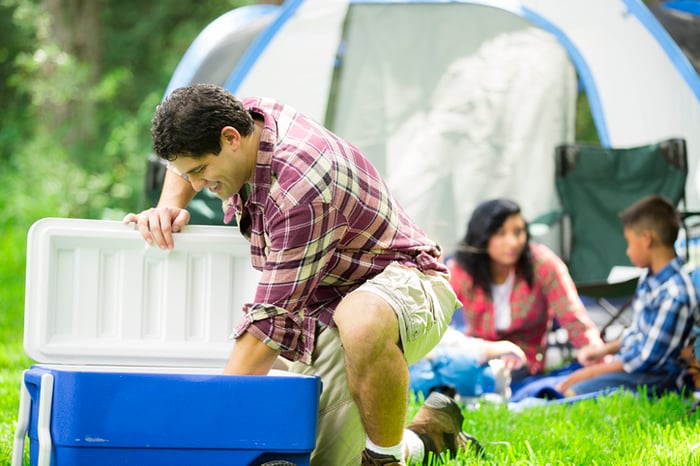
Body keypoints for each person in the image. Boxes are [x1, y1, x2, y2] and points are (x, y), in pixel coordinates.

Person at [123, 84, 482, 466]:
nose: (196, 185)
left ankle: (385, 460)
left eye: (200, 171)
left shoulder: (300, 187)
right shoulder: (240, 118)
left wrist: (211, 431)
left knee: (357, 320)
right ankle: (430, 436)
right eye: (187, 174)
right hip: (325, 306)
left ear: (230, 140)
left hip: (407, 284)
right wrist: (167, 206)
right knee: (311, 455)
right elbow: (184, 157)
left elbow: (267, 329)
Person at [448, 198, 604, 386]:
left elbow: (572, 315)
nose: (513, 242)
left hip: (525, 360)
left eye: (518, 231)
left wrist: (597, 356)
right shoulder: (462, 270)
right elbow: (437, 319)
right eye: (500, 233)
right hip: (481, 354)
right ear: (482, 236)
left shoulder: (543, 264)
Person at [556, 195, 697, 397]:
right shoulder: (650, 278)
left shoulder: (675, 293)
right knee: (564, 380)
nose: (628, 252)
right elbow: (639, 334)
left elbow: (644, 359)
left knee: (570, 391)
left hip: (659, 380)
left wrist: (589, 374)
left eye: (629, 243)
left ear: (647, 239)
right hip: (636, 370)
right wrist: (603, 351)